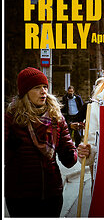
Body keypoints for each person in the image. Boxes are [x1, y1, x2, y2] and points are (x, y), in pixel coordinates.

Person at [5, 67, 86, 217]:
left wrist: (74, 152)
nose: (43, 91)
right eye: (37, 88)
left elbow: (68, 159)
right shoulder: (11, 118)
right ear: (25, 91)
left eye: (45, 87)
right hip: (19, 196)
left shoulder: (56, 117)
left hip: (51, 193)